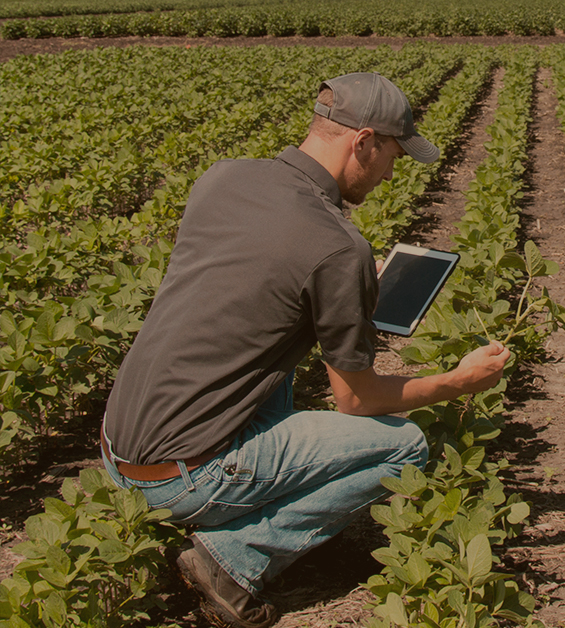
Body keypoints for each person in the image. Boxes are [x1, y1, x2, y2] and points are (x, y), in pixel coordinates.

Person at [99, 72, 510, 628]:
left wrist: (352, 292)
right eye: (393, 154)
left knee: (276, 363)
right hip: (184, 477)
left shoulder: (224, 178)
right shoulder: (338, 246)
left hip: (120, 450)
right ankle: (235, 559)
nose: (392, 172)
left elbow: (257, 286)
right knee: (404, 446)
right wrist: (459, 382)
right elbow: (355, 401)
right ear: (363, 141)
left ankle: (226, 498)